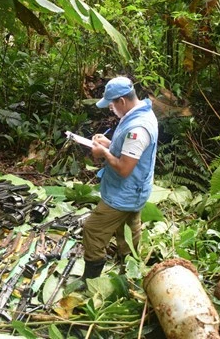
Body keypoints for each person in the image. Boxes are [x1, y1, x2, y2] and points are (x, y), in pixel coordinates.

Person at [78, 76, 158, 288]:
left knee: (93, 229)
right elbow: (131, 153)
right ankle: (129, 274)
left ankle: (91, 280)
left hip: (124, 192)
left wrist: (103, 152)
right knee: (129, 231)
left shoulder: (137, 129)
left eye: (112, 104)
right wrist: (110, 144)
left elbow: (124, 168)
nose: (111, 108)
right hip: (136, 189)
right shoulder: (141, 112)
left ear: (122, 101)